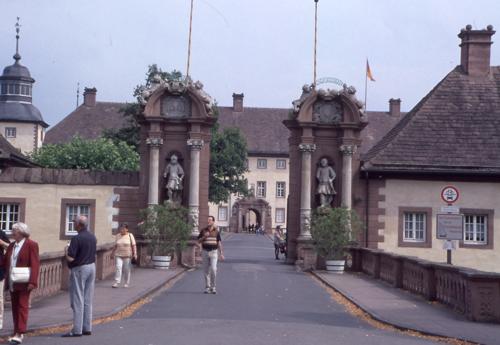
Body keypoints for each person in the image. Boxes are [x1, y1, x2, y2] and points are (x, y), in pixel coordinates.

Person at [3, 223, 40, 344]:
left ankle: (20, 333)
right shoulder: (12, 245)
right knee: (14, 307)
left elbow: (35, 264)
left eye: (14, 231)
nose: (12, 233)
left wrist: (32, 281)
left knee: (22, 306)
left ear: (22, 232)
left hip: (24, 281)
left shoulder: (31, 245)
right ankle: (16, 332)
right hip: (13, 280)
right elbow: (5, 262)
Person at [62, 216, 97, 338]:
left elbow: (71, 257)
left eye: (74, 223)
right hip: (91, 267)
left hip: (80, 269)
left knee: (77, 299)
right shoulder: (92, 236)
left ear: (79, 225)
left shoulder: (76, 238)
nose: (73, 225)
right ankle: (87, 328)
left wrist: (66, 251)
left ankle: (77, 330)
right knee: (87, 299)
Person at [198, 216, 224, 294]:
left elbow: (219, 242)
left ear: (213, 222)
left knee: (213, 269)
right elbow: (198, 241)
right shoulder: (203, 230)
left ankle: (213, 287)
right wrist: (204, 237)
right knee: (206, 271)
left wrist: (221, 253)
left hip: (214, 252)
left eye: (210, 220)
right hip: (205, 251)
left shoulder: (216, 231)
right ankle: (207, 287)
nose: (208, 221)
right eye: (208, 220)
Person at [111, 223, 137, 288]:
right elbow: (115, 245)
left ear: (127, 229)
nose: (121, 230)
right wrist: (112, 253)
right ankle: (117, 282)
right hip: (118, 254)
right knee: (118, 267)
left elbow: (134, 245)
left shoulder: (130, 235)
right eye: (121, 228)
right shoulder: (117, 236)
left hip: (127, 255)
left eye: (123, 228)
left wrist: (135, 254)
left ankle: (126, 282)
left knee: (126, 269)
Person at [0, 227, 11, 330]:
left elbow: (10, 247)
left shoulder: (1, 233)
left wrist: (1, 242)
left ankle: (0, 321)